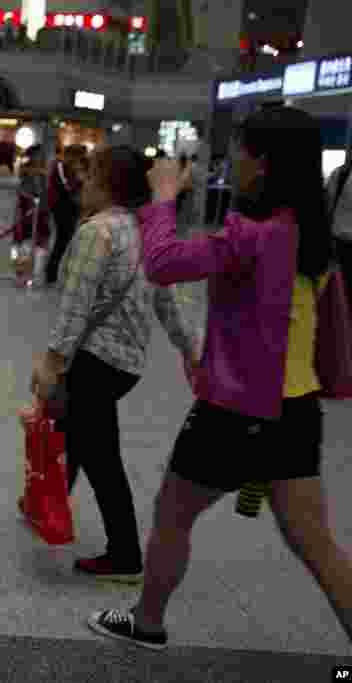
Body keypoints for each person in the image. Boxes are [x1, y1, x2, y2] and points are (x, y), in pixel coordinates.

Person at [89, 106, 352, 650]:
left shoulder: (253, 236)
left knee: (171, 515)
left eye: (240, 150)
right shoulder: (311, 238)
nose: (232, 160)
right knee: (318, 544)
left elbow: (161, 263)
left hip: (235, 411)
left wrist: (163, 197)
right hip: (295, 411)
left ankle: (147, 623)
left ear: (264, 163)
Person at [31, 145, 199, 583]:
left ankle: (124, 554)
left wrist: (51, 363)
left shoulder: (96, 233)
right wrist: (189, 348)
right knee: (76, 432)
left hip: (93, 359)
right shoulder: (146, 232)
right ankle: (44, 503)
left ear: (108, 185)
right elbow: (168, 300)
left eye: (91, 176)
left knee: (101, 455)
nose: (83, 183)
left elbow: (74, 310)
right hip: (125, 365)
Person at [44, 144, 88, 285]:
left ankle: (60, 274)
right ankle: (51, 274)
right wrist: (79, 182)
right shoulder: (60, 166)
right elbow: (66, 186)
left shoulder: (74, 168)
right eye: (78, 156)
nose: (79, 159)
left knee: (67, 241)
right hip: (61, 208)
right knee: (62, 240)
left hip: (72, 208)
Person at [326, 160, 352, 303]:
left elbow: (327, 207)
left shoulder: (339, 173)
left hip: (338, 242)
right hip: (340, 244)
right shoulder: (340, 174)